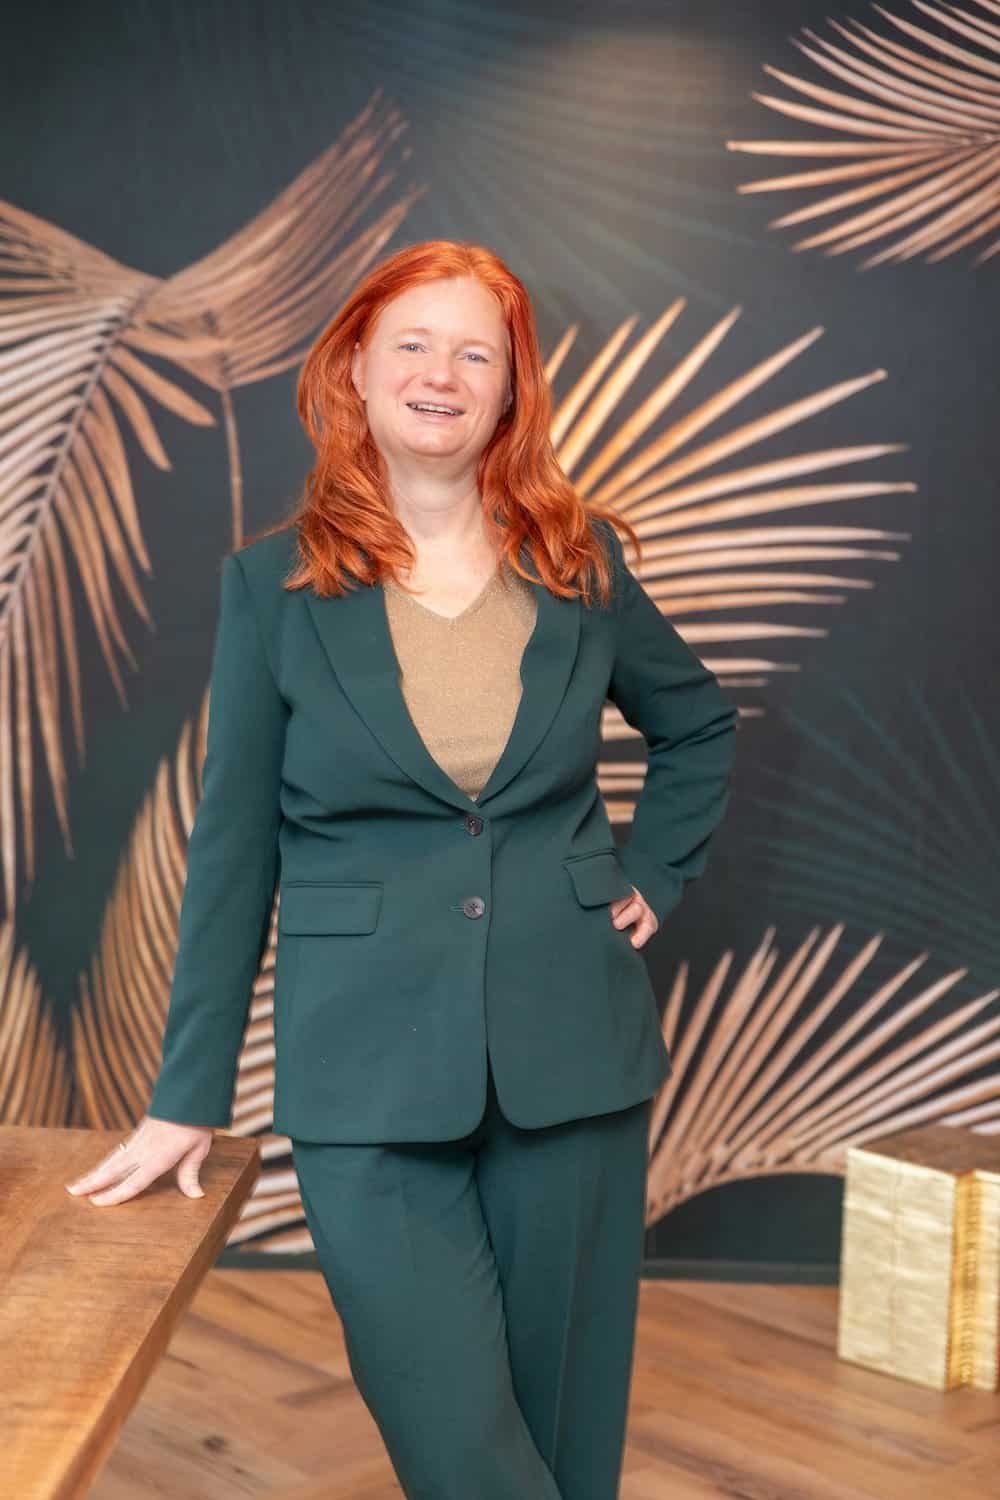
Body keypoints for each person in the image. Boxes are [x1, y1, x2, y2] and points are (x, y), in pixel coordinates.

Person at [66, 240, 738, 1498]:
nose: (442, 374)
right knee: (458, 1442)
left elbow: (696, 723)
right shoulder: (271, 586)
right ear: (356, 369)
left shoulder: (581, 561)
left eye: (475, 352)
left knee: (562, 1440)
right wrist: (185, 1093)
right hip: (364, 1074)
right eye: (413, 345)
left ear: (511, 387)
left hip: (572, 1060)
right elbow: (233, 843)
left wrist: (653, 868)